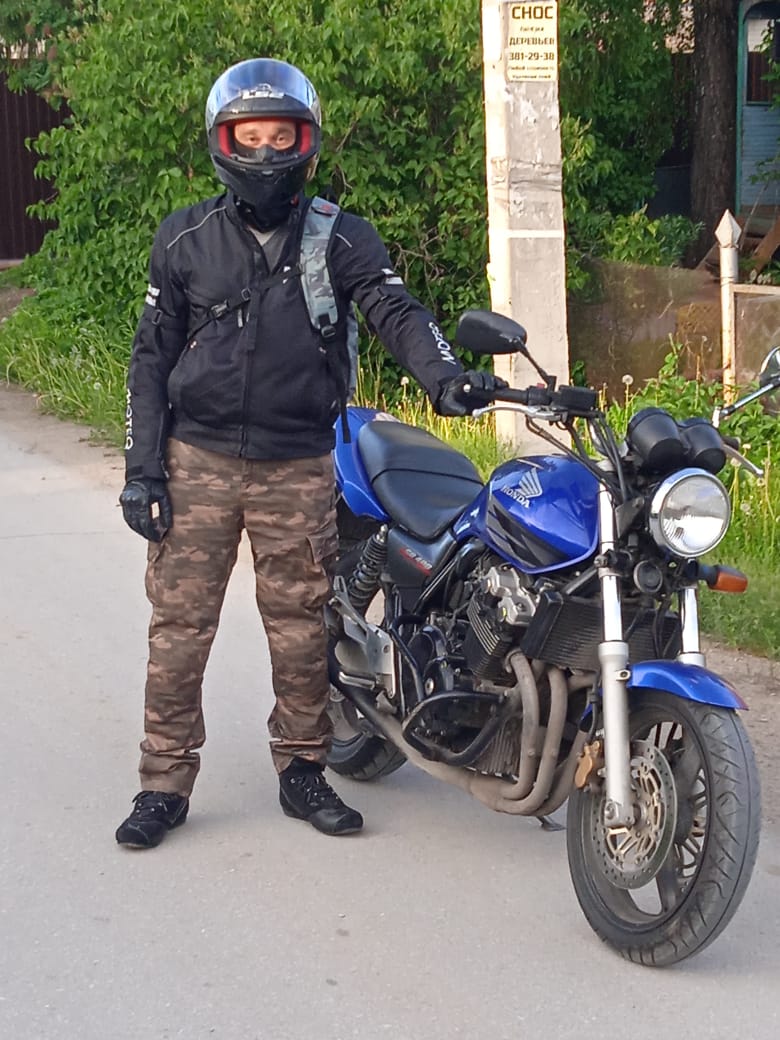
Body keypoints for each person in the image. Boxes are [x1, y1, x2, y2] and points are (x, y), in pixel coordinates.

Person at [115, 57, 506, 849]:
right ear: (222, 143)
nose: (264, 152)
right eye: (249, 137)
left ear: (308, 142)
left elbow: (396, 311)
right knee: (179, 630)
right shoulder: (184, 237)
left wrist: (444, 378)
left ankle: (302, 769)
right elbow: (150, 359)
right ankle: (162, 784)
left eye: (280, 137)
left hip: (297, 463)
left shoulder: (341, 236)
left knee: (300, 629)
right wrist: (142, 470)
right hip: (196, 461)